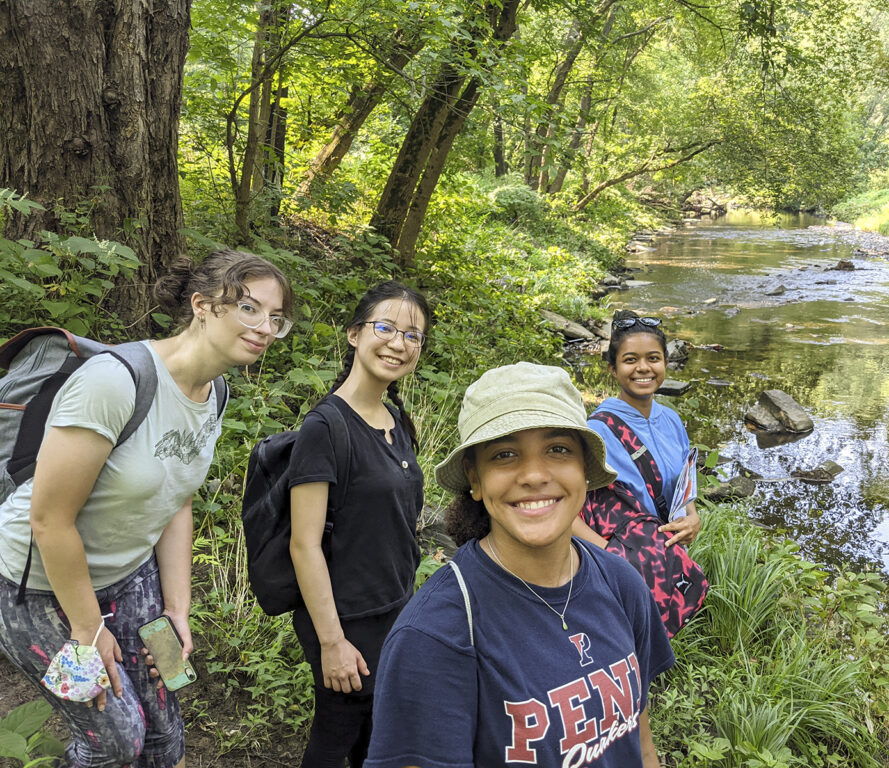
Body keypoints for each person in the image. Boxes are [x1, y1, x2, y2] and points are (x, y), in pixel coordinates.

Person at [0, 250, 294, 768]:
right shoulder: (115, 382)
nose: (265, 327)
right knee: (115, 740)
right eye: (249, 307)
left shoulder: (214, 392)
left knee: (163, 735)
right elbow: (49, 519)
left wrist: (177, 609)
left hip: (129, 572)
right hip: (39, 583)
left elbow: (175, 502)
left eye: (275, 317)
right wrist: (88, 628)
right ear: (202, 305)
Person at [364, 362, 676, 768]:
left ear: (584, 468)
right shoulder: (437, 635)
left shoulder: (620, 581)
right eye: (505, 454)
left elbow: (640, 742)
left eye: (558, 449)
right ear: (475, 480)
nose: (533, 475)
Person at [288, 281, 431, 768]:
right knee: (337, 735)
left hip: (394, 609)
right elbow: (303, 545)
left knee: (377, 738)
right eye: (386, 327)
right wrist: (333, 643)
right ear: (354, 334)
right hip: (346, 620)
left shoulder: (394, 418)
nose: (398, 343)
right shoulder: (324, 428)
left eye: (412, 335)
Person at [573, 309, 702, 548]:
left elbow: (684, 488)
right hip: (620, 564)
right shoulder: (596, 432)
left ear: (665, 362)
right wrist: (614, 558)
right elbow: (567, 511)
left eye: (653, 358)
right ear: (613, 369)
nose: (643, 368)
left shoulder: (672, 421)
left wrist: (693, 519)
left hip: (669, 559)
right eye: (630, 360)